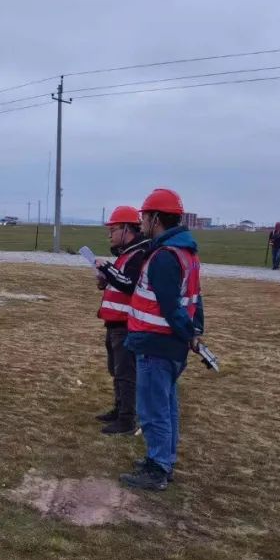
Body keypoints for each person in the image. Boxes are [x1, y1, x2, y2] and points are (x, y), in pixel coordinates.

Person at [120, 188, 205, 491]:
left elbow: (171, 307)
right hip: (169, 345)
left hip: (157, 344)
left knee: (154, 408)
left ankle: (157, 468)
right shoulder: (186, 254)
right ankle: (163, 460)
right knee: (166, 406)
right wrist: (195, 333)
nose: (141, 221)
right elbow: (196, 300)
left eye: (144, 216)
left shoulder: (165, 257)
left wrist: (189, 334)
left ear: (156, 218)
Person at [93, 206, 149, 435]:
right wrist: (104, 280)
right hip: (114, 322)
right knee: (117, 370)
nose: (110, 235)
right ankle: (119, 409)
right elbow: (120, 282)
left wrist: (107, 269)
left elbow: (130, 284)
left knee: (126, 372)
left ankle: (127, 420)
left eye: (113, 229)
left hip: (126, 324)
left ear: (127, 229)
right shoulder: (126, 254)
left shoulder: (138, 255)